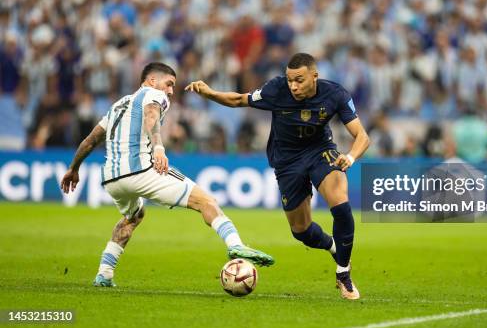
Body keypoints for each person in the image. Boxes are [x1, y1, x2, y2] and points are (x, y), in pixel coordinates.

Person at [60, 62, 274, 288]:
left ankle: (104, 274)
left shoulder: (118, 105)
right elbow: (150, 115)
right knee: (206, 201)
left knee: (133, 216)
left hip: (112, 179)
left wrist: (74, 168)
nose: (171, 90)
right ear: (152, 80)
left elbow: (90, 140)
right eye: (169, 84)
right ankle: (235, 244)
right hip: (142, 170)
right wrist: (159, 148)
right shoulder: (154, 94)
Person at [186, 53, 370, 300]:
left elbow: (362, 136)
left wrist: (349, 157)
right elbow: (241, 100)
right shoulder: (276, 89)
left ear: (314, 76)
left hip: (320, 152)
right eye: (290, 80)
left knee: (340, 201)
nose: (293, 86)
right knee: (301, 230)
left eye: (299, 80)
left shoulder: (335, 94)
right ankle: (333, 246)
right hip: (287, 161)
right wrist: (211, 94)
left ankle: (343, 275)